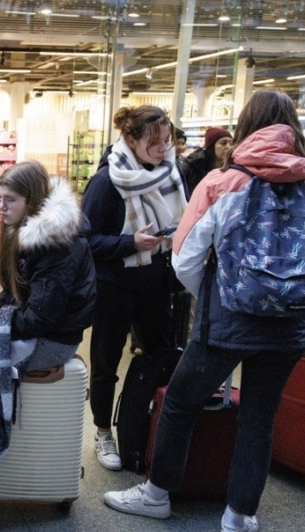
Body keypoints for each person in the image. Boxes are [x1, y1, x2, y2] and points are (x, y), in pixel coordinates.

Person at [103, 89, 305, 532]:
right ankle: (237, 520)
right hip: (292, 323)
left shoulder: (221, 182)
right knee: (259, 417)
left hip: (227, 322)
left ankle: (157, 494)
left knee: (183, 401)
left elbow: (185, 259)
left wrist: (218, 297)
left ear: (246, 127)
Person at [0, 161, 96, 414]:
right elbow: (12, 294)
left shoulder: (58, 246)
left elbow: (40, 319)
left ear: (33, 201)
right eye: (1, 199)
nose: (1, 207)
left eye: (10, 200)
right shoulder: (25, 231)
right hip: (31, 329)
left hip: (53, 339)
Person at [81, 105, 187, 472]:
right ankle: (102, 431)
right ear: (130, 139)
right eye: (154, 142)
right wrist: (130, 244)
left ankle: (147, 426)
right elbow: (87, 241)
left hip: (156, 282)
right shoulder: (107, 181)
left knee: (163, 353)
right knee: (106, 361)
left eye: (167, 141)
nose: (162, 150)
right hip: (115, 286)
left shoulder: (172, 175)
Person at [182, 126, 232, 198]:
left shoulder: (230, 168)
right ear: (211, 146)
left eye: (231, 143)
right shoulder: (192, 166)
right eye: (223, 143)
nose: (228, 147)